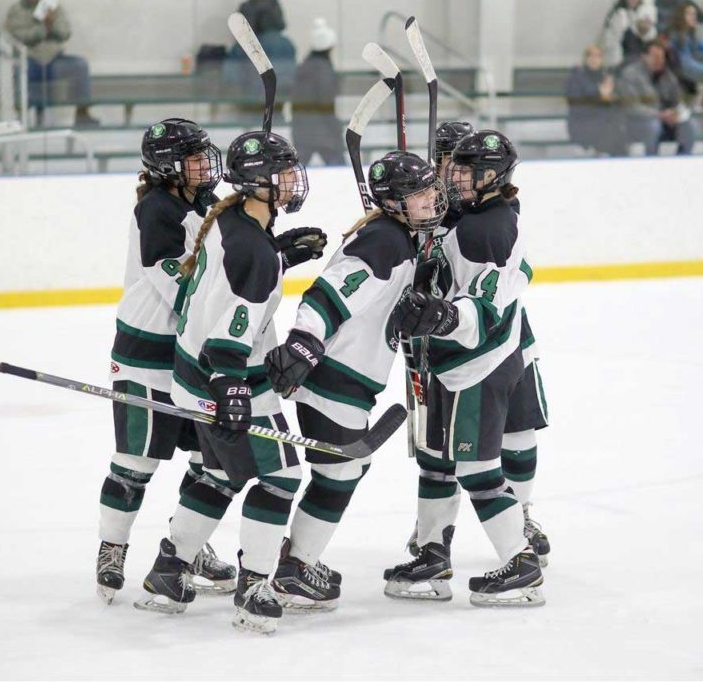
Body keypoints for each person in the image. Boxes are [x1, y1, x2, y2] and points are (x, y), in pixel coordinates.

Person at [135, 131, 325, 635]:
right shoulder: (251, 249)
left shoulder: (231, 219)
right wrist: (233, 390)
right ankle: (255, 588)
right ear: (258, 183)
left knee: (220, 476)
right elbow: (230, 333)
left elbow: (226, 282)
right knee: (281, 478)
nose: (291, 179)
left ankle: (169, 573)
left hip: (193, 372)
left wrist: (280, 253)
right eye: (282, 171)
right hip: (226, 374)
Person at [264, 151, 446, 611]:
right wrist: (304, 342)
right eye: (420, 192)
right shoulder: (384, 239)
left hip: (349, 380)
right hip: (333, 378)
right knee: (340, 471)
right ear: (396, 202)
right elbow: (330, 293)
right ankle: (296, 567)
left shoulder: (399, 235)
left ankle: (295, 560)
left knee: (345, 469)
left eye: (430, 188)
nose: (431, 197)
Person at [384, 131, 545, 608]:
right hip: (449, 361)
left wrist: (444, 315)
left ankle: (521, 563)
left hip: (477, 364)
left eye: (466, 171)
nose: (453, 176)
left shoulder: (488, 229)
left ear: (493, 177)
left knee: (476, 468)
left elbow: (487, 307)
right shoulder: (472, 216)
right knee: (436, 461)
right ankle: (432, 553)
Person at [95, 119, 238, 604]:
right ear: (167, 167)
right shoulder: (158, 209)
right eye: (193, 158)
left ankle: (188, 545)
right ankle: (111, 548)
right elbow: (182, 285)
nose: (205, 164)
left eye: (204, 155)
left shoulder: (199, 202)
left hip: (186, 352)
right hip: (145, 352)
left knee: (205, 460)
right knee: (135, 460)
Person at [5, 0, 100, 127]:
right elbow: (20, 36)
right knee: (17, 73)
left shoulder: (55, 7)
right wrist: (43, 28)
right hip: (30, 60)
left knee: (80, 65)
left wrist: (52, 22)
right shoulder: (17, 10)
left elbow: (65, 32)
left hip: (54, 60)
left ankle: (82, 113)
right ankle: (21, 117)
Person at [617, 40, 697, 154]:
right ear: (644, 56)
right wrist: (659, 115)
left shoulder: (667, 75)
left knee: (690, 126)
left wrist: (677, 112)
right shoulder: (630, 75)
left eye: (662, 57)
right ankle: (651, 162)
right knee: (653, 126)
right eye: (655, 56)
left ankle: (681, 161)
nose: (660, 60)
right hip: (637, 122)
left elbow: (678, 98)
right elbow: (631, 106)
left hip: (665, 120)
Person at [291, 18, 345, 166]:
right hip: (324, 133)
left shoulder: (303, 67)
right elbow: (325, 104)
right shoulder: (324, 70)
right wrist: (335, 128)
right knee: (340, 171)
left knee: (296, 173)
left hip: (302, 130)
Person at [565, 45, 622, 155]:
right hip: (582, 124)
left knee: (618, 124)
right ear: (585, 59)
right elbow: (576, 107)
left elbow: (615, 104)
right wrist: (599, 93)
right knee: (608, 125)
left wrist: (609, 99)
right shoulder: (576, 78)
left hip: (604, 124)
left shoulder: (606, 78)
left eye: (598, 56)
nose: (594, 59)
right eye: (591, 55)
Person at [602, 0, 657, 68]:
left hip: (640, 58)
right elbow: (613, 40)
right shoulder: (618, 14)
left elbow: (649, 37)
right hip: (621, 57)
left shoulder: (644, 14)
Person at [667, 2, 703, 87]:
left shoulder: (688, 34)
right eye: (690, 14)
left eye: (694, 14)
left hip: (692, 68)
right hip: (683, 73)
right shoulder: (677, 36)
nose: (694, 17)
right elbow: (686, 63)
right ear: (680, 16)